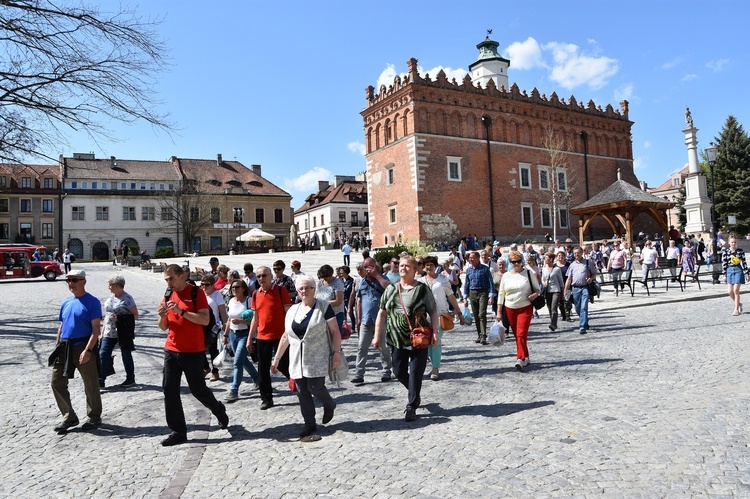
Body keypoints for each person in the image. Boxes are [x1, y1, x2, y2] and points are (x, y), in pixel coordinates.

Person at [157, 264, 228, 446]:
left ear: (182, 276)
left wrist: (181, 311)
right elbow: (163, 326)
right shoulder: (167, 294)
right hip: (171, 349)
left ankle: (218, 409)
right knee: (169, 389)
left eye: (171, 278)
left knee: (198, 390)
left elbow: (204, 319)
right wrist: (163, 315)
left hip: (193, 351)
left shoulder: (196, 293)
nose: (169, 283)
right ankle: (178, 431)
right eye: (166, 280)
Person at [272, 275, 341, 439]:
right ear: (297, 291)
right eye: (301, 288)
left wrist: (337, 353)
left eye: (308, 287)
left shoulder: (323, 306)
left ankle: (329, 403)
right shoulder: (293, 311)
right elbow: (285, 336)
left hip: (317, 355)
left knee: (315, 386)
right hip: (296, 358)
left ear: (314, 290)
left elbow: (335, 331)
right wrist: (277, 358)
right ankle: (309, 423)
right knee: (302, 390)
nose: (304, 291)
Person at [374, 255, 438, 422]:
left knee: (416, 373)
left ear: (415, 270)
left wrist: (436, 332)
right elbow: (382, 313)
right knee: (398, 371)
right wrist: (376, 335)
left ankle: (411, 406)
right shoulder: (391, 289)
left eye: (407, 266)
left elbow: (433, 311)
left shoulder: (423, 289)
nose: (403, 268)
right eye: (401, 265)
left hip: (419, 339)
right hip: (397, 339)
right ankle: (414, 392)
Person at [50, 270, 103, 433]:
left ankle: (94, 416)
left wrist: (87, 350)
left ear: (83, 282)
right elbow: (62, 325)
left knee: (90, 384)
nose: (70, 283)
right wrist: (57, 344)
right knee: (56, 382)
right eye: (68, 281)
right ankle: (69, 416)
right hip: (64, 347)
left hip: (82, 346)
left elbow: (96, 330)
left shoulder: (92, 302)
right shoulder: (66, 302)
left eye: (74, 280)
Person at [246, 266, 292, 410]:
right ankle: (266, 399)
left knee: (285, 366)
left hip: (281, 336)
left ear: (271, 276)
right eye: (258, 276)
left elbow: (288, 313)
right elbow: (256, 317)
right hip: (262, 337)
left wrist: (291, 333)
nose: (261, 279)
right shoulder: (255, 294)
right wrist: (249, 337)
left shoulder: (280, 291)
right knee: (262, 370)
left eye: (264, 276)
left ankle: (299, 387)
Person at [420, 255, 464, 380]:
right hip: (425, 316)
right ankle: (433, 365)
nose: (429, 267)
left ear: (436, 266)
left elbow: (451, 296)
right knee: (428, 342)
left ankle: (435, 368)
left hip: (440, 314)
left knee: (436, 341)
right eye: (427, 265)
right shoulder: (421, 281)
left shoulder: (443, 279)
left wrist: (459, 313)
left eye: (431, 265)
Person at [497, 251, 541, 371]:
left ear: (521, 261)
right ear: (509, 263)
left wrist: (535, 295)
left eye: (518, 261)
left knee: (521, 333)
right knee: (518, 335)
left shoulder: (528, 273)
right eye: (513, 262)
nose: (516, 264)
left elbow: (538, 289)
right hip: (510, 308)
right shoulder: (506, 276)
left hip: (525, 307)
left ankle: (520, 358)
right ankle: (526, 356)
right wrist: (499, 311)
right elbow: (501, 294)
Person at [351, 257, 393, 384]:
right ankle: (359, 374)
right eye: (366, 267)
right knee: (361, 348)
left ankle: (386, 371)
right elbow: (359, 300)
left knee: (383, 348)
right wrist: (358, 318)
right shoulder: (362, 282)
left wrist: (377, 276)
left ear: (376, 267)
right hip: (365, 320)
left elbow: (390, 289)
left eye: (371, 266)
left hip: (380, 321)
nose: (368, 269)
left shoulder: (382, 279)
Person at [98, 274, 139, 389]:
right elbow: (107, 314)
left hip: (123, 332)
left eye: (110, 285)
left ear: (116, 285)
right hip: (109, 331)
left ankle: (130, 378)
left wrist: (120, 319)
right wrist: (102, 330)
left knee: (126, 355)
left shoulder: (128, 299)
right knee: (103, 353)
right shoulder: (110, 298)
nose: (108, 287)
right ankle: (101, 380)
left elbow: (135, 316)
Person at [223, 279, 259, 401]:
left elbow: (255, 321)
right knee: (243, 361)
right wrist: (226, 335)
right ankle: (258, 380)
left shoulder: (249, 301)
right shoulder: (231, 301)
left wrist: (242, 322)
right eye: (233, 287)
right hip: (233, 334)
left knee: (237, 362)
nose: (234, 289)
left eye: (237, 287)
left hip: (245, 334)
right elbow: (228, 319)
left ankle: (234, 390)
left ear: (243, 288)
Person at [462, 251, 496, 344]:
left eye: (472, 258)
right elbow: (466, 284)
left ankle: (484, 335)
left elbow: (490, 282)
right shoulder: (469, 270)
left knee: (482, 314)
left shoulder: (484, 269)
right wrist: (465, 297)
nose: (470, 259)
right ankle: (479, 334)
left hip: (483, 292)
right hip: (472, 292)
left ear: (478, 258)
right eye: (470, 258)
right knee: (476, 315)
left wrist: (491, 295)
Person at [562, 247, 597, 334]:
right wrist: (565, 289)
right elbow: (569, 279)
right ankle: (585, 320)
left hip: (585, 287)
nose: (576, 255)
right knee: (577, 308)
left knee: (583, 307)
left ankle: (582, 327)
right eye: (575, 253)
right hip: (575, 288)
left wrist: (591, 279)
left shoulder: (588, 262)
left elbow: (594, 274)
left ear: (582, 253)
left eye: (578, 253)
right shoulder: (572, 265)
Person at [201, 275, 229, 382]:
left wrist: (225, 325)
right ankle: (206, 367)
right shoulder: (201, 295)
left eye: (207, 284)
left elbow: (222, 312)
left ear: (213, 285)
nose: (204, 287)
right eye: (202, 284)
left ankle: (215, 372)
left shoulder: (217, 295)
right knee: (200, 348)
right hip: (201, 325)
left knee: (213, 349)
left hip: (213, 327)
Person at [721, 236, 749, 316]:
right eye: (732, 242)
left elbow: (744, 263)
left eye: (735, 242)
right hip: (729, 271)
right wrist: (724, 275)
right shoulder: (726, 252)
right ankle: (739, 304)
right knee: (730, 291)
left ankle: (736, 309)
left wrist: (747, 274)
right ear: (729, 243)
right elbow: (724, 264)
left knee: (736, 290)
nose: (733, 244)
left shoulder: (740, 251)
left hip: (738, 270)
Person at [315, 264, 346, 330]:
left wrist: (324, 302)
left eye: (325, 277)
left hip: (335, 314)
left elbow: (338, 301)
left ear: (330, 274)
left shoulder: (338, 283)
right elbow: (315, 296)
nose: (324, 279)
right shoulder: (320, 283)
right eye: (322, 277)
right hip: (322, 314)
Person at [541, 253, 564, 331]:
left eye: (546, 258)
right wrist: (544, 283)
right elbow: (542, 279)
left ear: (551, 259)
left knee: (554, 307)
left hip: (556, 290)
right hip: (547, 291)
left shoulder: (557, 269)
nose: (545, 259)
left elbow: (561, 282)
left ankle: (553, 324)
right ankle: (553, 322)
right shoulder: (544, 269)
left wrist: (563, 292)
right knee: (549, 307)